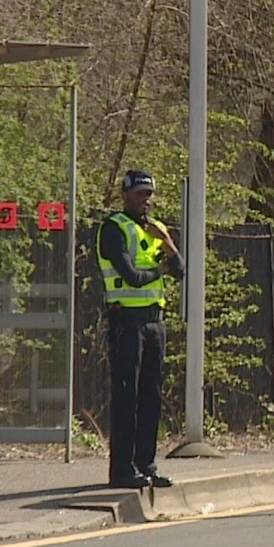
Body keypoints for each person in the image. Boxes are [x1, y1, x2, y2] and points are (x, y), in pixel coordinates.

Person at [97, 169, 183, 490]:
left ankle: (146, 464)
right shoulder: (114, 228)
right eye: (139, 194)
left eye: (149, 194)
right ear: (126, 195)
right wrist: (161, 268)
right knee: (126, 396)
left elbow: (182, 270)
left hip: (154, 321)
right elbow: (131, 276)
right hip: (126, 321)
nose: (145, 200)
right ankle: (122, 469)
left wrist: (168, 244)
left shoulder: (155, 229)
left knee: (151, 396)